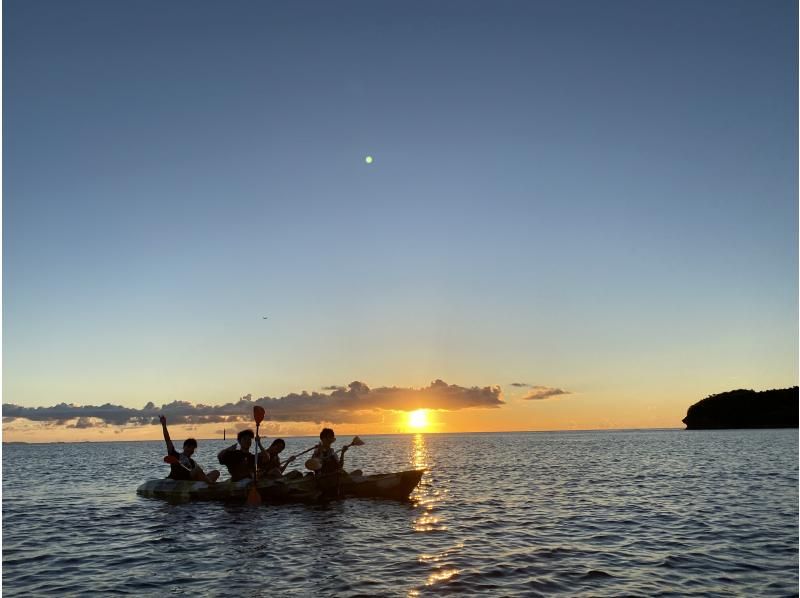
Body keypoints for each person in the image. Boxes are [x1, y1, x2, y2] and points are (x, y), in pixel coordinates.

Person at [159, 415, 220, 484]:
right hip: (180, 479)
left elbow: (200, 473)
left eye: (192, 448)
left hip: (191, 480)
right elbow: (167, 440)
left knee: (216, 472)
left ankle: (208, 484)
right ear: (184, 447)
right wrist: (164, 425)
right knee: (197, 470)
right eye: (189, 447)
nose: (190, 450)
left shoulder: (192, 462)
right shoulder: (175, 455)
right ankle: (211, 484)